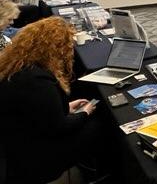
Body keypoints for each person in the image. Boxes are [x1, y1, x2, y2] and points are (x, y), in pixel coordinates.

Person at [0, 17, 103, 183]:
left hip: (17, 143)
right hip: (36, 155)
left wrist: (65, 107)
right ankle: (98, 174)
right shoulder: (37, 80)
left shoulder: (17, 65)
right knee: (98, 124)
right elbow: (60, 126)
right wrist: (84, 113)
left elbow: (38, 109)